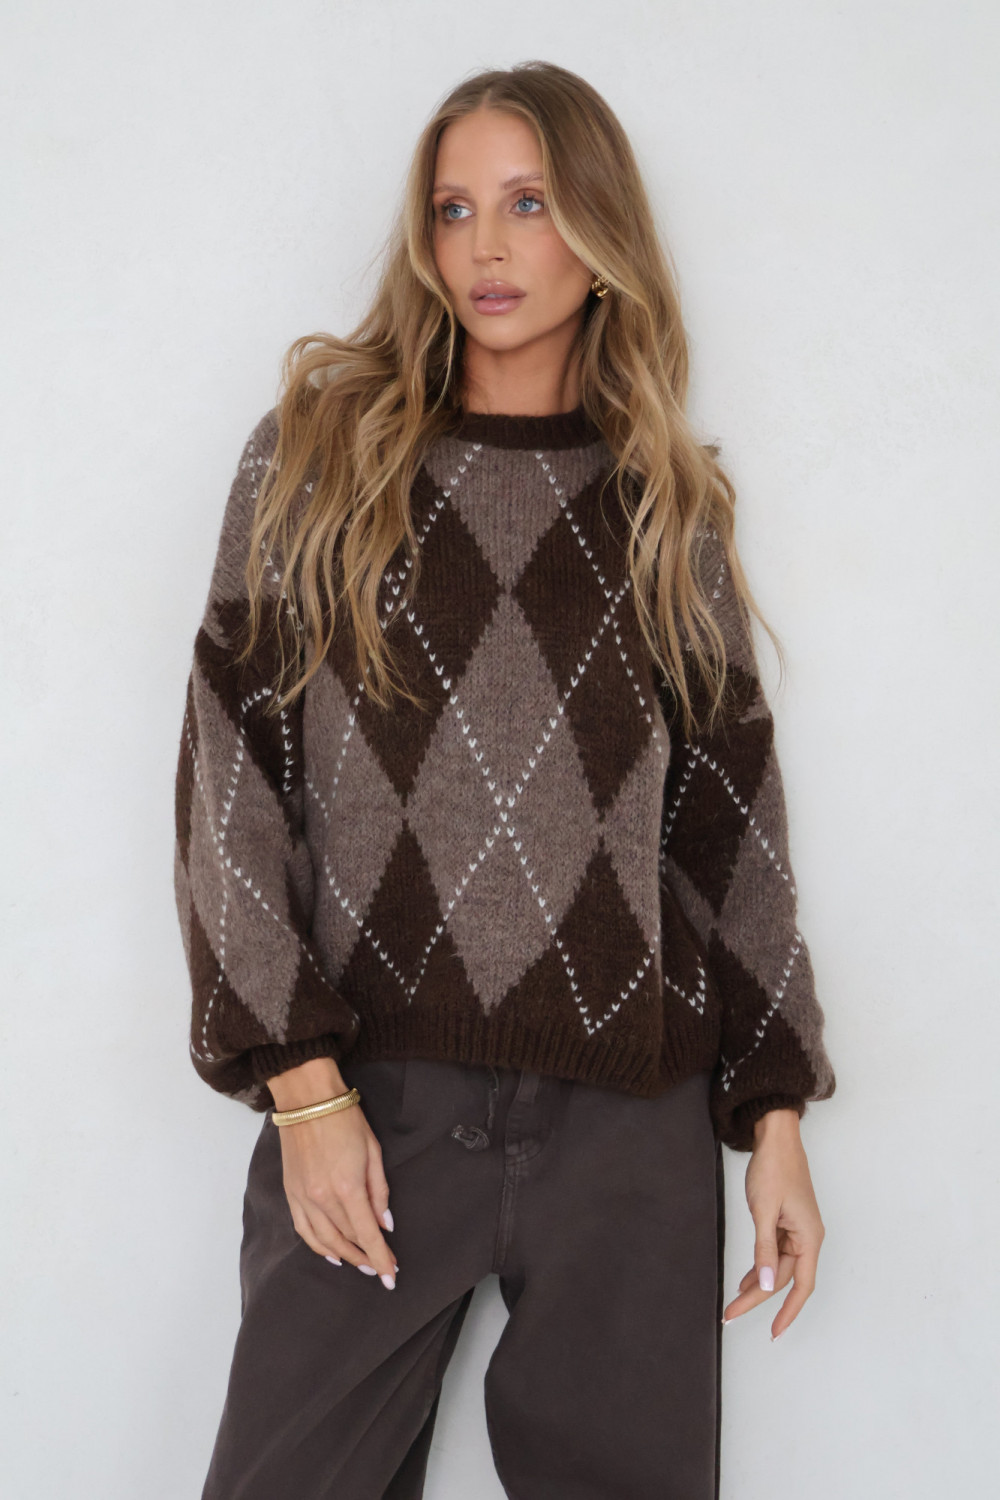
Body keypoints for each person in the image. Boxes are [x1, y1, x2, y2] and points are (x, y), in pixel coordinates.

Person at [173, 60, 836, 1500]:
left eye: (529, 205)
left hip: (629, 1118)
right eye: (454, 207)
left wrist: (774, 1115)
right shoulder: (318, 461)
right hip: (378, 1095)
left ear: (599, 232)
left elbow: (729, 824)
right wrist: (304, 1091)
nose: (485, 246)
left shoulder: (666, 506)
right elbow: (231, 781)